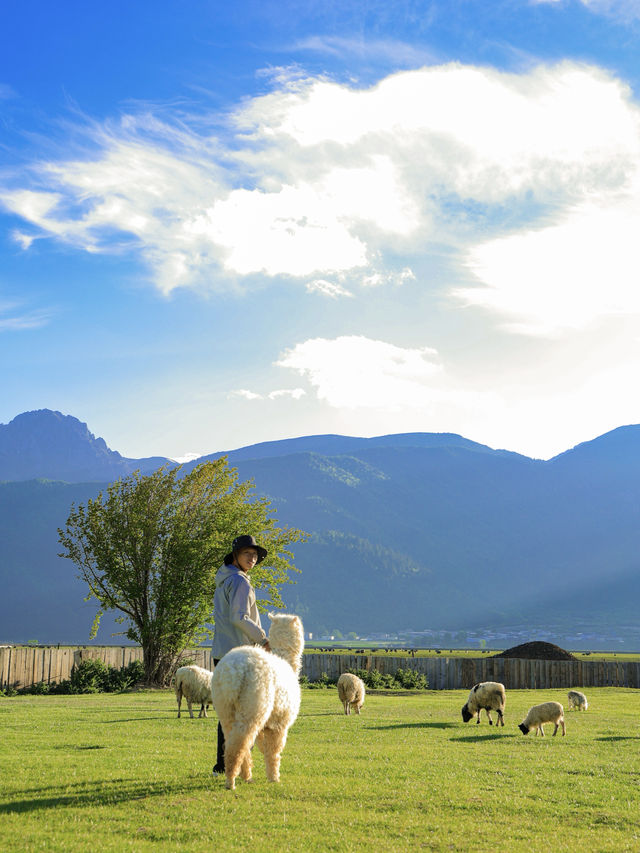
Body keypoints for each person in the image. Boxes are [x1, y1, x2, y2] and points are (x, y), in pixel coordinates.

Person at [211, 534, 270, 774]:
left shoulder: (223, 579)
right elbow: (239, 617)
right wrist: (263, 639)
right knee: (245, 711)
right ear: (236, 555)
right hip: (239, 654)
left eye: (255, 555)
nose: (253, 558)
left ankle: (222, 765)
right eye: (248, 553)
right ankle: (236, 765)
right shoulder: (240, 582)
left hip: (221, 653)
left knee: (227, 712)